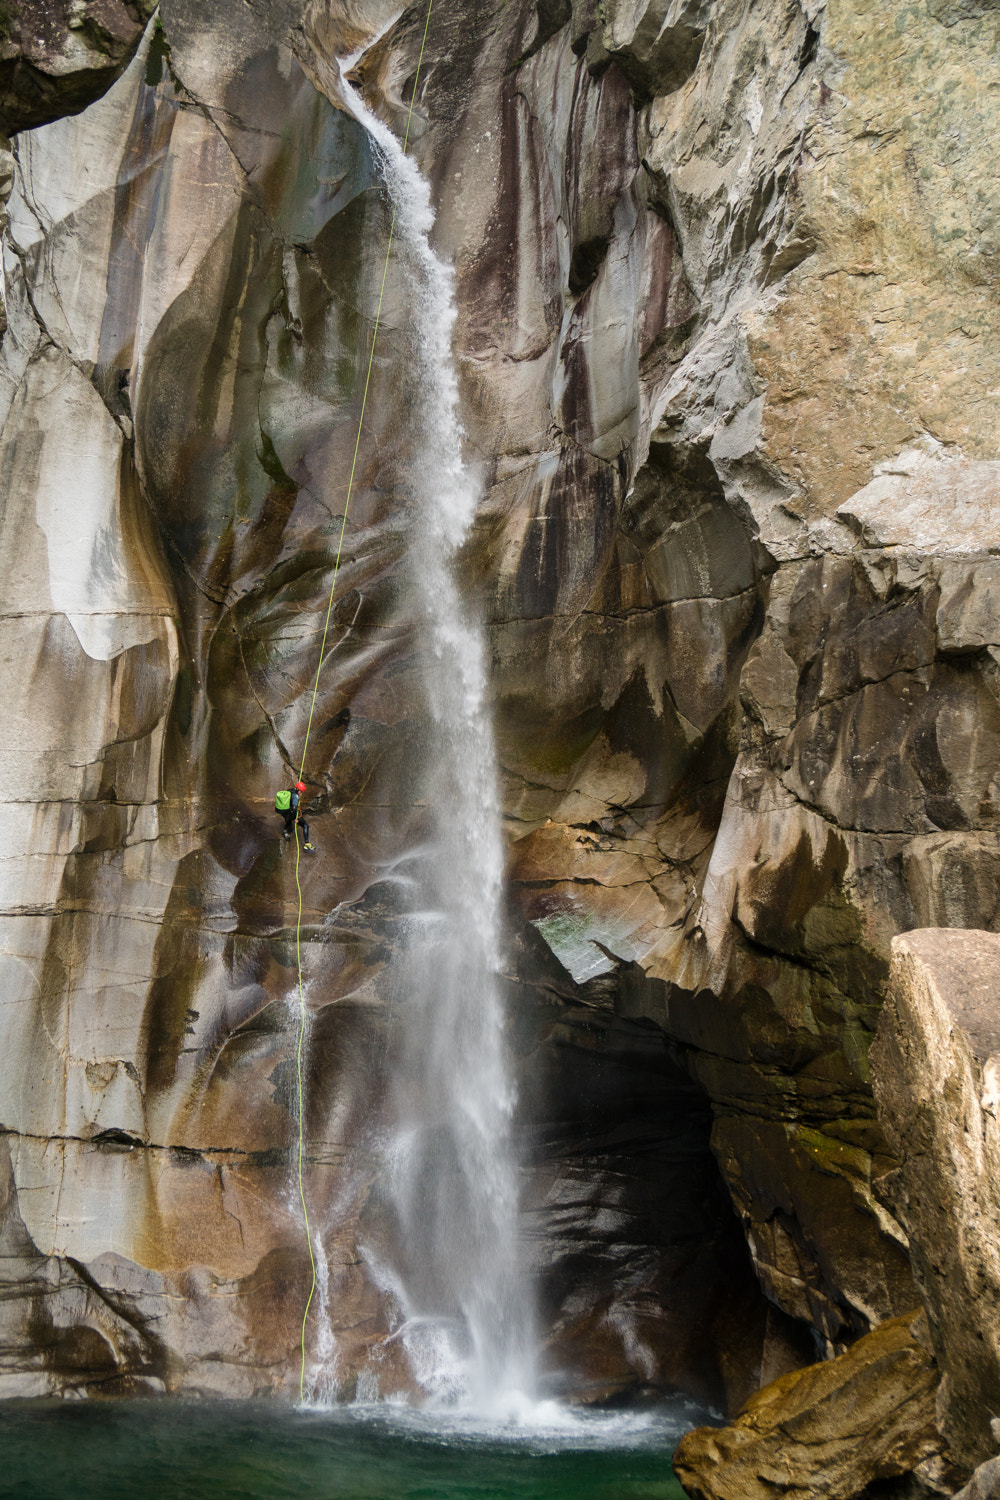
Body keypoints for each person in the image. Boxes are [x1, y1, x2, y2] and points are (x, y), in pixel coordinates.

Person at [275, 781, 314, 851]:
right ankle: (307, 844)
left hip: (284, 811)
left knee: (289, 821)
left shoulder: (290, 791)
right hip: (290, 812)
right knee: (305, 826)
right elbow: (294, 809)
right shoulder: (295, 796)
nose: (301, 794)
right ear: (297, 790)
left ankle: (285, 831)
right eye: (301, 792)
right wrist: (296, 818)